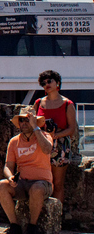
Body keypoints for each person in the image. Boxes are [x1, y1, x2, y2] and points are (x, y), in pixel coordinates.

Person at [0, 106, 54, 234]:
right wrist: (10, 177)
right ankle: (14, 226)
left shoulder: (45, 136)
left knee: (37, 188)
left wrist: (35, 127)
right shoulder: (14, 141)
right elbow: (8, 166)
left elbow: (47, 149)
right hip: (22, 182)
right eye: (22, 120)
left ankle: (32, 226)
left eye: (28, 120)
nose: (24, 123)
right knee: (1, 185)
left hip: (42, 183)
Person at [33, 70, 78, 205]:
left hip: (60, 145)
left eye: (49, 81)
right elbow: (33, 123)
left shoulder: (67, 104)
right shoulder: (38, 102)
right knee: (41, 181)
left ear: (57, 82)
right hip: (41, 143)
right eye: (44, 82)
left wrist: (55, 135)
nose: (47, 84)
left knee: (57, 183)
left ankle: (56, 218)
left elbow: (72, 129)